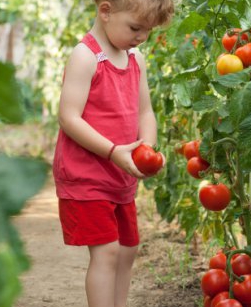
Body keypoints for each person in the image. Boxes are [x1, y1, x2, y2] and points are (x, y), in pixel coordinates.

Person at [52, 1, 174, 307]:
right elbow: (69, 117)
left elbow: (145, 112)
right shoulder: (85, 56)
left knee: (127, 249)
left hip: (118, 175)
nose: (142, 37)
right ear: (105, 11)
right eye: (135, 28)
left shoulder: (136, 58)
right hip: (86, 175)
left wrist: (147, 146)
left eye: (148, 30)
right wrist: (111, 151)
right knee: (106, 251)